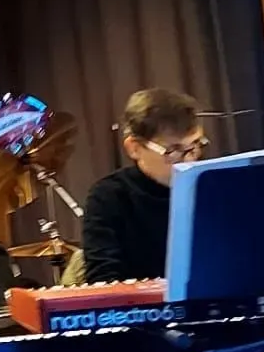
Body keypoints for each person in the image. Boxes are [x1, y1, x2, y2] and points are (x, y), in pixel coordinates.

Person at [81, 87, 205, 283]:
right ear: (135, 148)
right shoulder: (109, 197)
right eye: (173, 151)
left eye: (195, 145)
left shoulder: (213, 184)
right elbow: (104, 279)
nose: (189, 160)